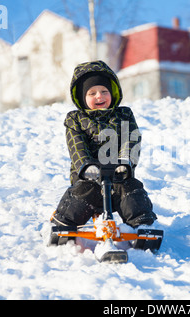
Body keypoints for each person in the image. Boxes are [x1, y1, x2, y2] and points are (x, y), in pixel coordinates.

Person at [51, 60, 157, 229]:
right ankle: (62, 223)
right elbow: (76, 146)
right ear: (82, 98)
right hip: (88, 177)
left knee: (133, 190)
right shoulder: (75, 119)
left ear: (113, 93)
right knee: (80, 194)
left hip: (118, 175)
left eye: (104, 91)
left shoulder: (123, 115)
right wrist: (86, 166)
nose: (99, 96)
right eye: (92, 93)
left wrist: (125, 161)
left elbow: (132, 139)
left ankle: (143, 226)